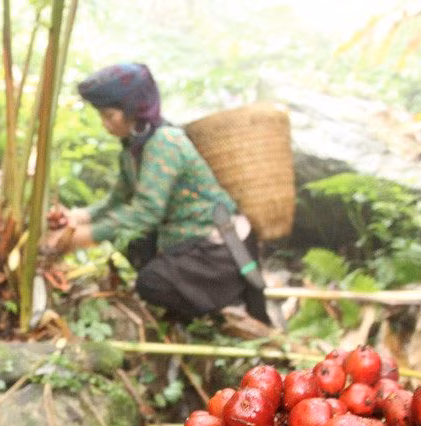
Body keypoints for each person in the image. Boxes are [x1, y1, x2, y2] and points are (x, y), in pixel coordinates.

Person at [44, 62, 270, 325]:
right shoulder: (134, 148)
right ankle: (191, 303)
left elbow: (146, 212)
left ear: (132, 111)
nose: (105, 124)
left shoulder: (164, 143)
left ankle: (224, 303)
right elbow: (118, 200)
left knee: (151, 283)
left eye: (109, 115)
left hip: (220, 251)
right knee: (133, 244)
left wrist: (82, 237)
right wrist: (77, 217)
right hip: (190, 243)